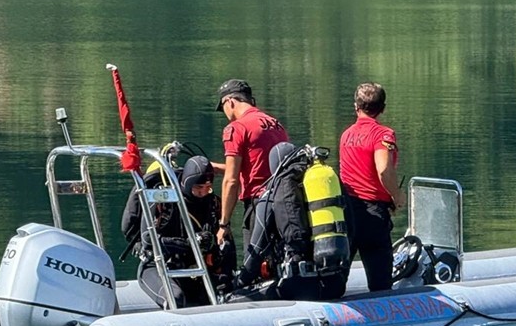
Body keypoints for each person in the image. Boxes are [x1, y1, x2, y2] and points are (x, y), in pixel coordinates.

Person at [229, 142, 350, 301]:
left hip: (296, 287)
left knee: (234, 298)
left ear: (274, 167)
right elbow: (351, 232)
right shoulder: (328, 190)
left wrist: (238, 283)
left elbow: (256, 252)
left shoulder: (271, 197)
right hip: (335, 285)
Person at [123, 155, 235, 308]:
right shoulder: (164, 201)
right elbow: (148, 240)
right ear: (187, 183)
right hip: (159, 267)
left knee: (226, 296)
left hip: (196, 270)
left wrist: (225, 278)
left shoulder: (213, 204)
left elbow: (226, 244)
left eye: (207, 187)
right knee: (176, 298)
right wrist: (190, 243)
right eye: (198, 187)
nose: (203, 192)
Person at [338, 82, 405, 291]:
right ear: (382, 108)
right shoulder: (383, 135)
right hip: (373, 214)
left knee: (338, 278)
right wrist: (397, 196)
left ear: (356, 107)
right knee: (380, 283)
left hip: (347, 212)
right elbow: (384, 169)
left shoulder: (346, 135)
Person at [214, 78, 290, 252]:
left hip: (258, 207)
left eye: (223, 107)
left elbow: (231, 181)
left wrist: (224, 224)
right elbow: (261, 164)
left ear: (230, 102)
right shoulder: (275, 124)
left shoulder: (236, 128)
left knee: (254, 263)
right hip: (282, 202)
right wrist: (218, 168)